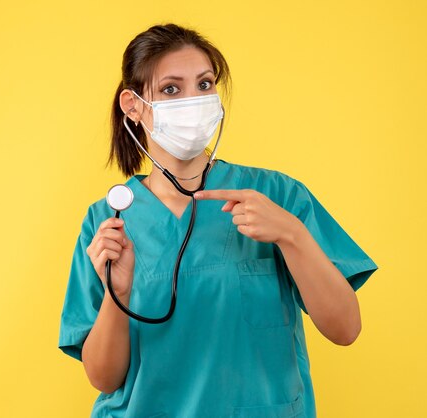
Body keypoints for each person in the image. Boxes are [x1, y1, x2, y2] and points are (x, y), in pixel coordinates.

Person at [58, 23, 377, 418]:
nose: (193, 100)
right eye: (171, 89)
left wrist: (291, 235)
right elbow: (104, 378)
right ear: (133, 105)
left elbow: (346, 329)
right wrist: (117, 295)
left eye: (205, 84)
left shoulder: (276, 196)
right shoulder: (109, 221)